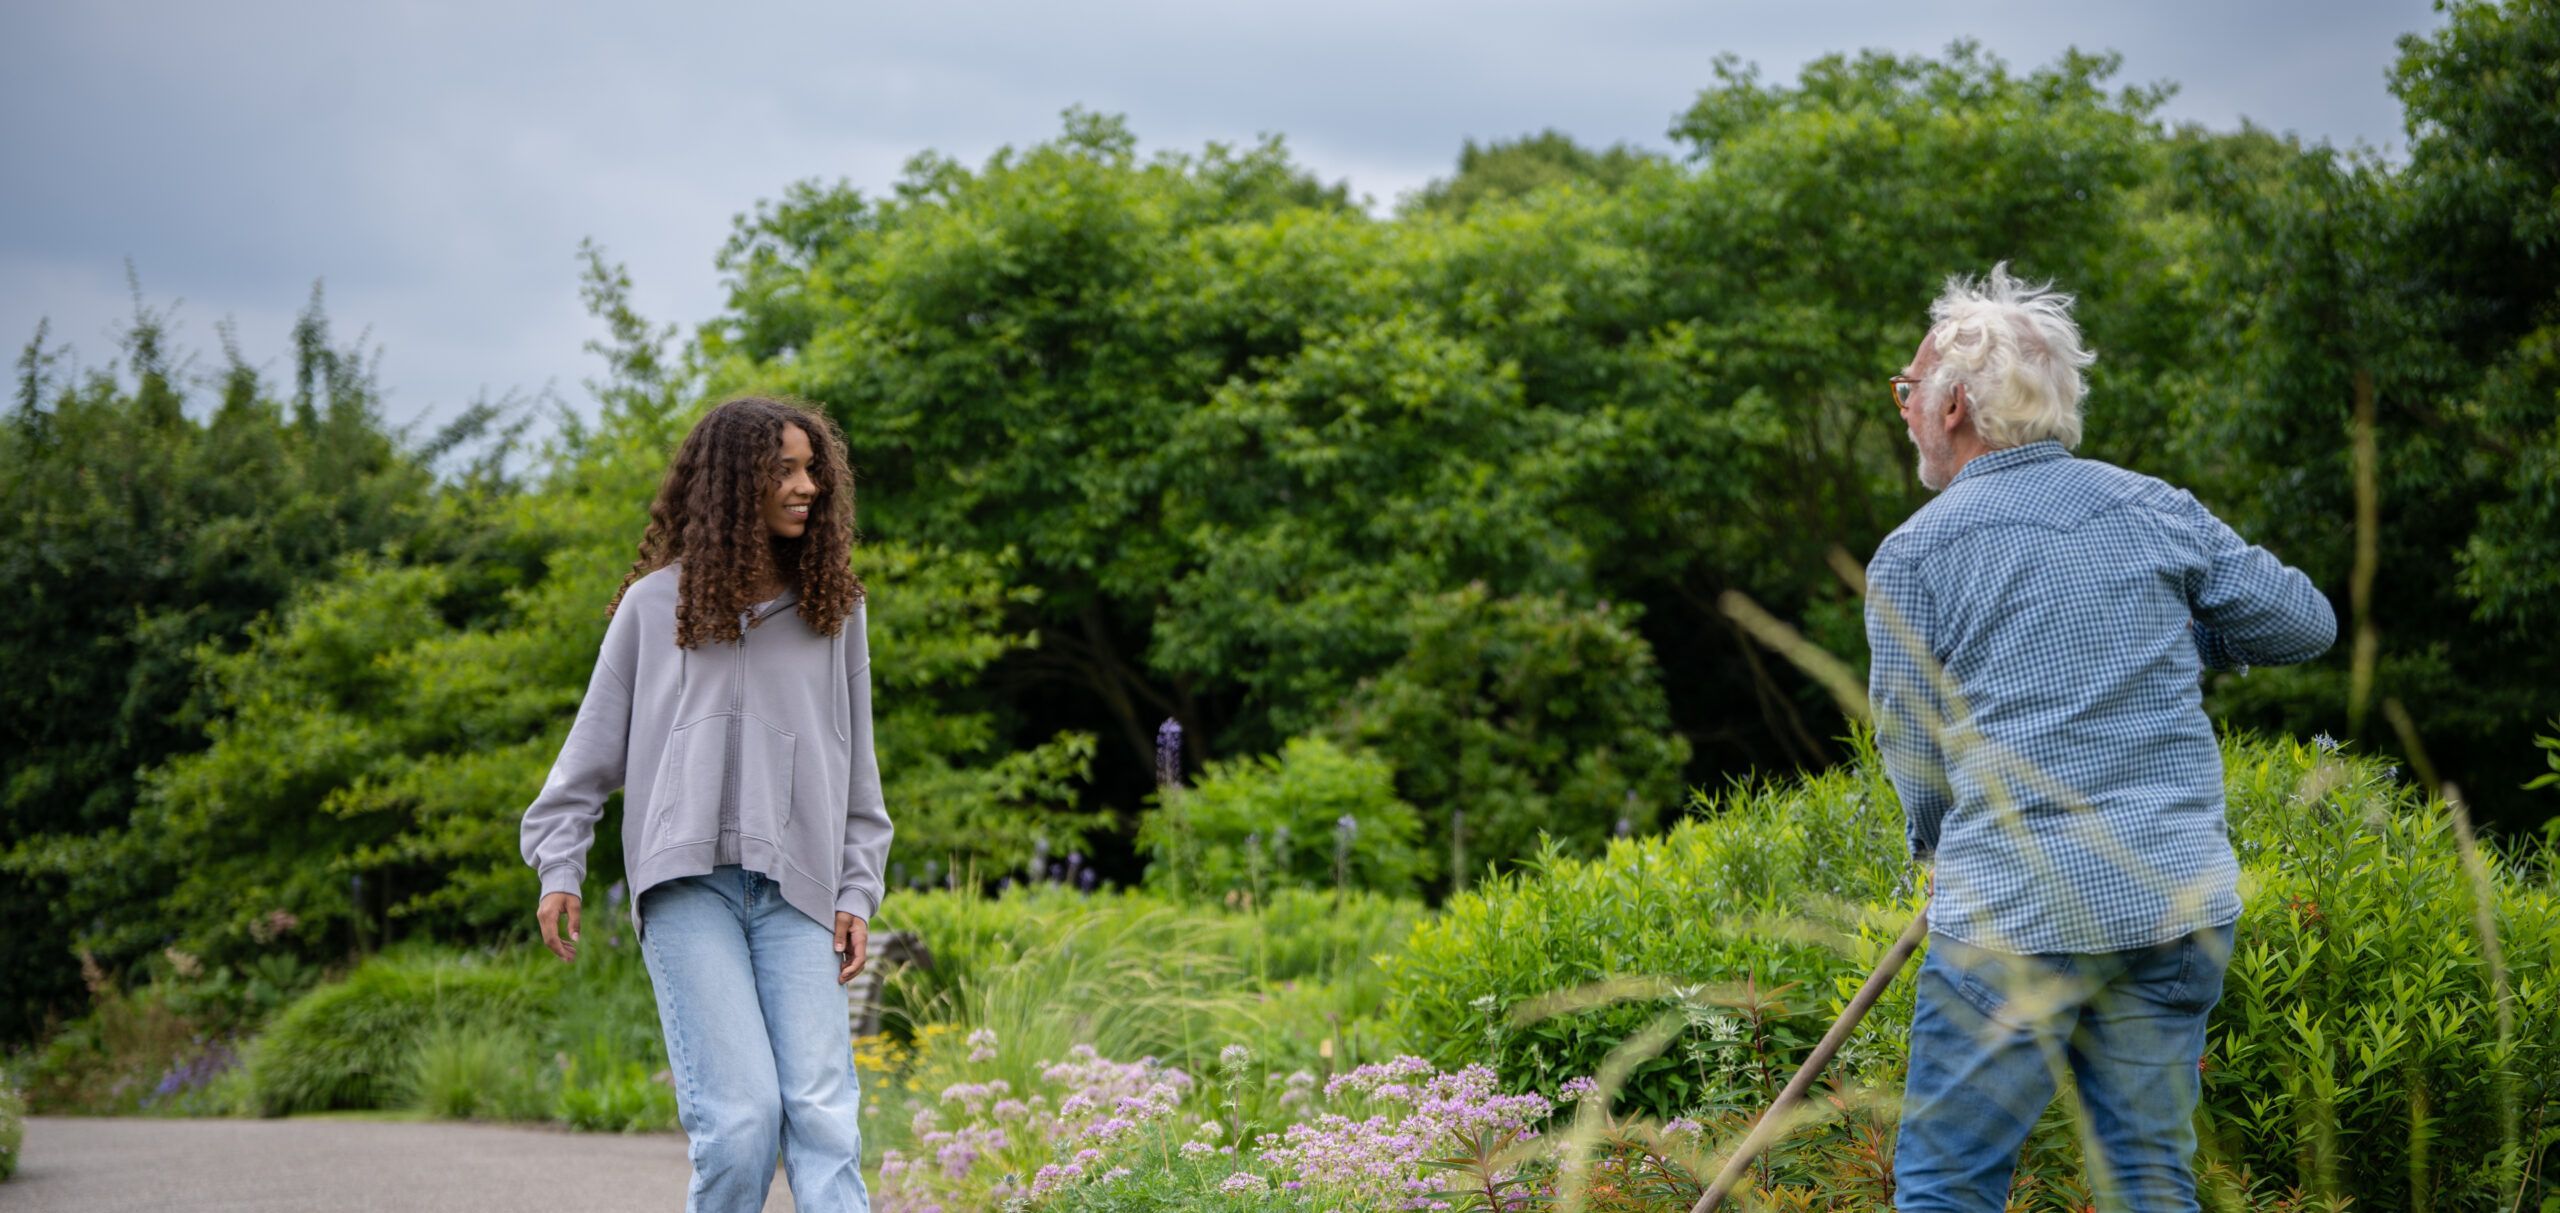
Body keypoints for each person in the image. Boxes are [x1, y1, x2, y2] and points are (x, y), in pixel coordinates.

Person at [1866, 265, 2335, 1211]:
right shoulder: (2149, 506)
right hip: (2175, 906)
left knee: (1946, 1187)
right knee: (2148, 1179)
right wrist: (2180, 635)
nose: (1903, 405)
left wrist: (1934, 846)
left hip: (2014, 919)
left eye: (1909, 388)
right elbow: (2303, 622)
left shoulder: (1914, 553)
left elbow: (1913, 750)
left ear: (1953, 406)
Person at [520, 396, 893, 1213]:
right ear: (734, 486)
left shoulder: (837, 612)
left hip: (800, 893)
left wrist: (859, 888)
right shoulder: (656, 608)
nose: (808, 487)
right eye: (786, 471)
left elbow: (858, 771)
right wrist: (561, 868)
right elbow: (582, 765)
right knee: (741, 1122)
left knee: (825, 1119)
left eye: (812, 468)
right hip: (688, 893)